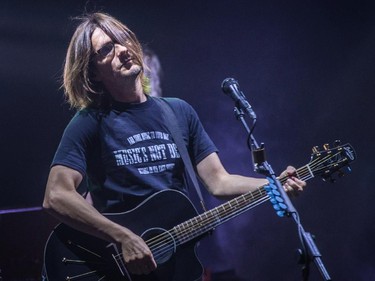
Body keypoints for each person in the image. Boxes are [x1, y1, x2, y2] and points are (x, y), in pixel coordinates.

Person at [42, 12, 306, 278]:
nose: (122, 50)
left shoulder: (178, 112)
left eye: (122, 40)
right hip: (114, 265)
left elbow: (219, 182)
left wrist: (275, 184)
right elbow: (56, 196)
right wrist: (122, 236)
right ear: (93, 73)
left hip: (171, 265)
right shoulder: (90, 121)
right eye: (107, 49)